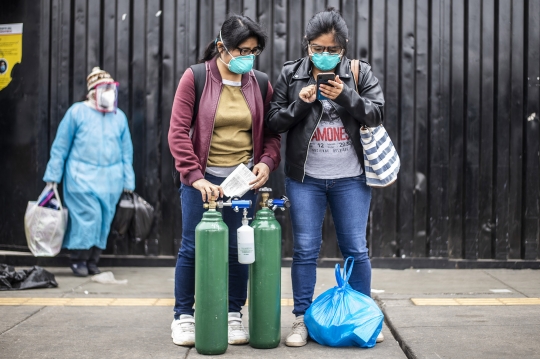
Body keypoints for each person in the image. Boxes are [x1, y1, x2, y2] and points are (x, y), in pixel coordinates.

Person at [265, 8, 385, 347]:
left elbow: (377, 113)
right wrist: (301, 104)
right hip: (306, 179)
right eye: (317, 47)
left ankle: (362, 318)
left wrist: (345, 95)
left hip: (351, 178)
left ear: (343, 48)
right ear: (307, 46)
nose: (324, 54)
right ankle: (302, 319)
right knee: (304, 249)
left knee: (355, 249)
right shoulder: (292, 74)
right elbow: (274, 122)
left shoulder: (359, 73)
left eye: (332, 49)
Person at [168, 15, 281, 347]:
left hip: (241, 182)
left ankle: (233, 314)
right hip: (203, 181)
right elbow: (177, 133)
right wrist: (194, 177)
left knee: (238, 249)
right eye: (243, 50)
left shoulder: (259, 82)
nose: (248, 57)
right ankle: (183, 317)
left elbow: (272, 134)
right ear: (222, 48)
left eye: (254, 51)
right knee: (191, 248)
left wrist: (266, 162)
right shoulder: (196, 77)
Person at [43, 67, 135, 277]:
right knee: (88, 218)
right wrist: (52, 178)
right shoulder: (77, 112)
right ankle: (78, 259)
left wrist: (128, 179)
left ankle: (93, 260)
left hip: (111, 180)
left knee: (104, 220)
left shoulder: (118, 116)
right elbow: (60, 147)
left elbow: (126, 151)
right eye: (105, 89)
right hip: (80, 177)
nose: (110, 93)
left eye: (112, 89)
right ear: (93, 91)